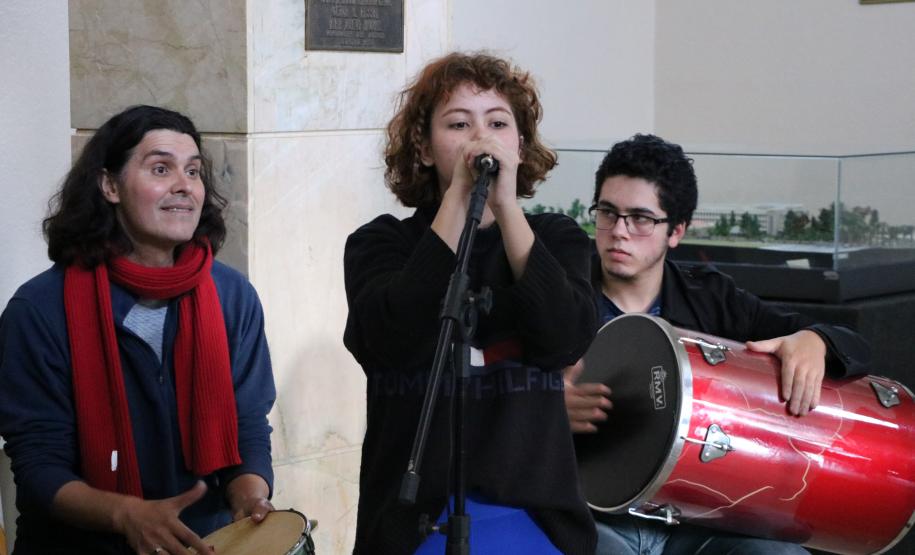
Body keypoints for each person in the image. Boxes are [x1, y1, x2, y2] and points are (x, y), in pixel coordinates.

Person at [565, 133, 871, 555]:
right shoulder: (559, 290)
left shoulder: (710, 297)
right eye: (607, 212)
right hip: (590, 514)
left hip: (697, 516)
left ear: (676, 231)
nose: (619, 232)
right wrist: (547, 401)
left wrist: (815, 340)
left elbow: (854, 345)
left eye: (640, 218)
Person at [343, 52, 598, 554]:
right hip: (414, 519)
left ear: (519, 146)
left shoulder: (554, 237)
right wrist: (459, 198)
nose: (481, 139)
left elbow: (564, 337)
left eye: (498, 123)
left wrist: (505, 208)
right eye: (459, 124)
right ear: (422, 147)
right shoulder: (380, 243)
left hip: (534, 516)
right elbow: (388, 338)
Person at [0, 105, 276, 555]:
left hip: (204, 542)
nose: (184, 186)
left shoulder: (232, 297)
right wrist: (126, 514)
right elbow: (38, 464)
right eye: (161, 169)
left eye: (193, 171)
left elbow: (247, 424)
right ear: (109, 185)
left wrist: (251, 496)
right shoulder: (39, 310)